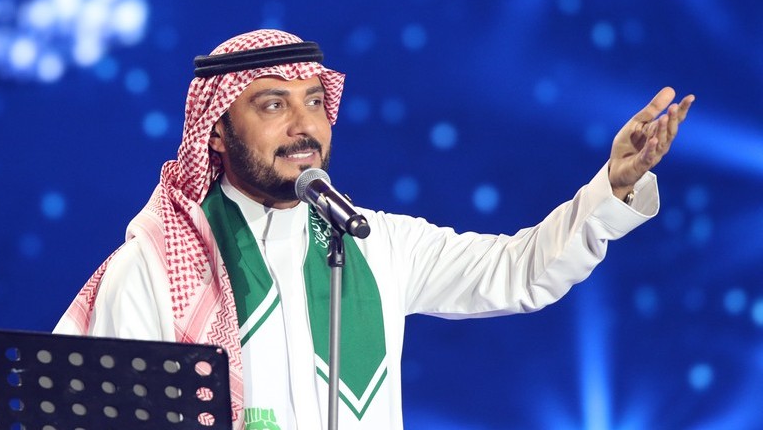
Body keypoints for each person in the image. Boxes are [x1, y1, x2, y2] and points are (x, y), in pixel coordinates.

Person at [54, 29, 694, 430]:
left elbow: (521, 272)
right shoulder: (157, 267)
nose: (303, 126)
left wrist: (612, 186)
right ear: (216, 131)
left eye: (314, 102)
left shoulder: (373, 242)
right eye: (273, 105)